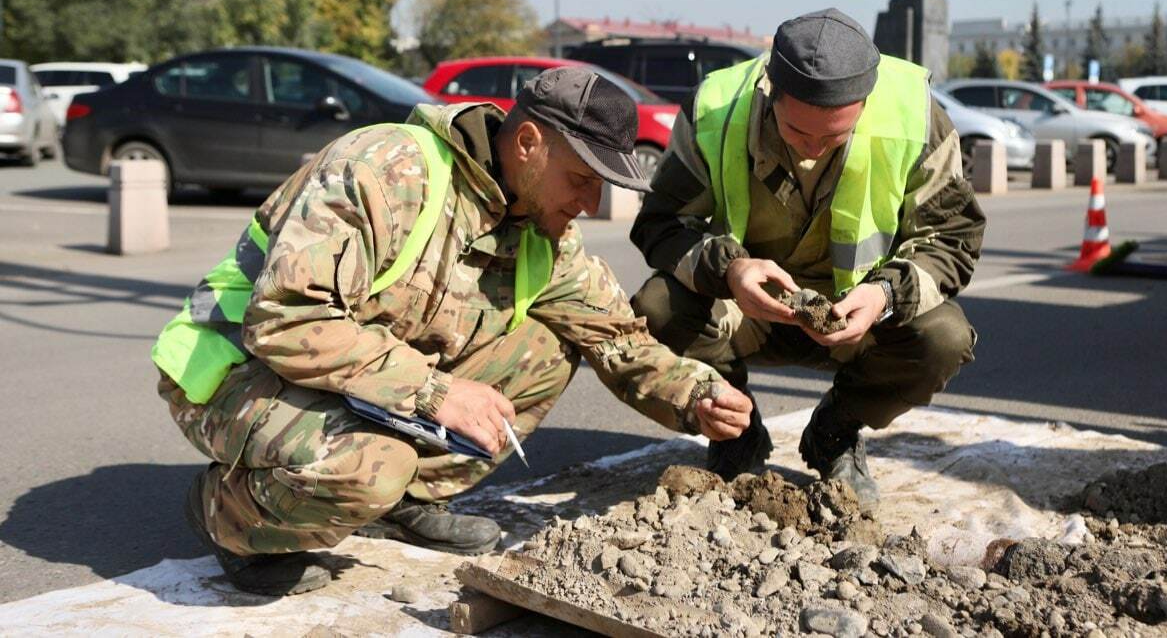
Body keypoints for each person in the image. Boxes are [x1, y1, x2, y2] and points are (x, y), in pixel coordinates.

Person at [153, 66, 753, 596]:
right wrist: (439, 392)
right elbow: (286, 319)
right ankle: (227, 516)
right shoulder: (388, 172)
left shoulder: (541, 230)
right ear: (528, 144)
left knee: (547, 348)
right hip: (237, 369)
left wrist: (695, 393)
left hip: (356, 380)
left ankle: (402, 501)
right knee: (370, 467)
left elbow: (613, 335)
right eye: (582, 179)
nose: (590, 204)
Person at [630, 8, 984, 508]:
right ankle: (736, 433)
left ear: (864, 102)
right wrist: (731, 270)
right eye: (798, 133)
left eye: (833, 137)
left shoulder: (914, 113)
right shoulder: (716, 108)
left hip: (856, 318)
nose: (814, 150)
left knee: (944, 337)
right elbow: (660, 224)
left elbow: (953, 237)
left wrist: (882, 295)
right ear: (771, 95)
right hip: (745, 309)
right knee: (657, 306)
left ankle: (835, 433)